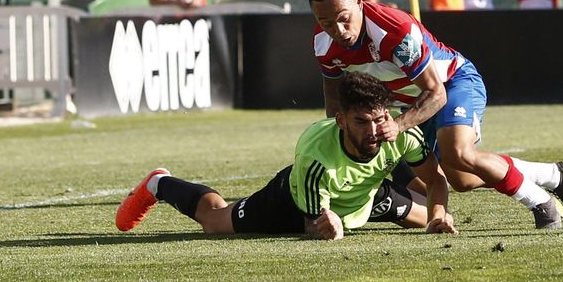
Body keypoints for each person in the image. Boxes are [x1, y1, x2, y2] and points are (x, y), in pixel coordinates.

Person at [307, 0, 563, 229]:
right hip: (413, 102)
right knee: (461, 179)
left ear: (359, 1)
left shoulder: (394, 31)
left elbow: (436, 93)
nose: (339, 30)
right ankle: (555, 175)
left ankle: (542, 203)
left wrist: (399, 126)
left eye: (344, 18)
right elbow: (334, 100)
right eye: (326, 23)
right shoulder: (323, 43)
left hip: (452, 83)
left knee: (458, 153)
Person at [114, 73, 456, 239]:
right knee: (214, 222)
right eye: (361, 122)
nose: (374, 131)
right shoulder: (315, 158)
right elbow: (311, 226)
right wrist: (327, 226)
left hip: (364, 195)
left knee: (431, 219)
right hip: (294, 201)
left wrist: (438, 214)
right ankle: (159, 184)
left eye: (380, 119)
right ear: (340, 120)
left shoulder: (398, 133)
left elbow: (436, 179)